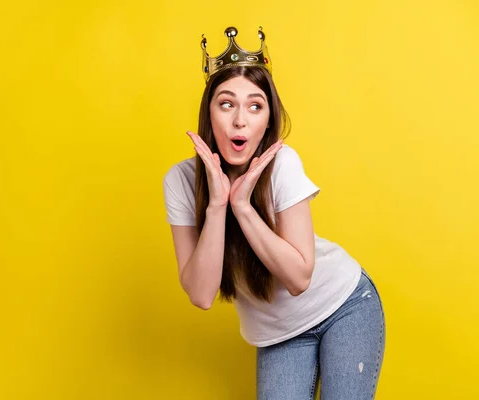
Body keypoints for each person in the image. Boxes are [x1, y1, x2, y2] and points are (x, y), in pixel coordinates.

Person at [162, 26, 386, 399]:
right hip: (279, 334)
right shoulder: (181, 181)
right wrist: (217, 205)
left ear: (267, 120)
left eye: (255, 106)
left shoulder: (282, 163)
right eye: (226, 103)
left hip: (345, 306)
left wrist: (242, 207)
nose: (240, 120)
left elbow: (299, 278)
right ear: (209, 114)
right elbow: (201, 295)